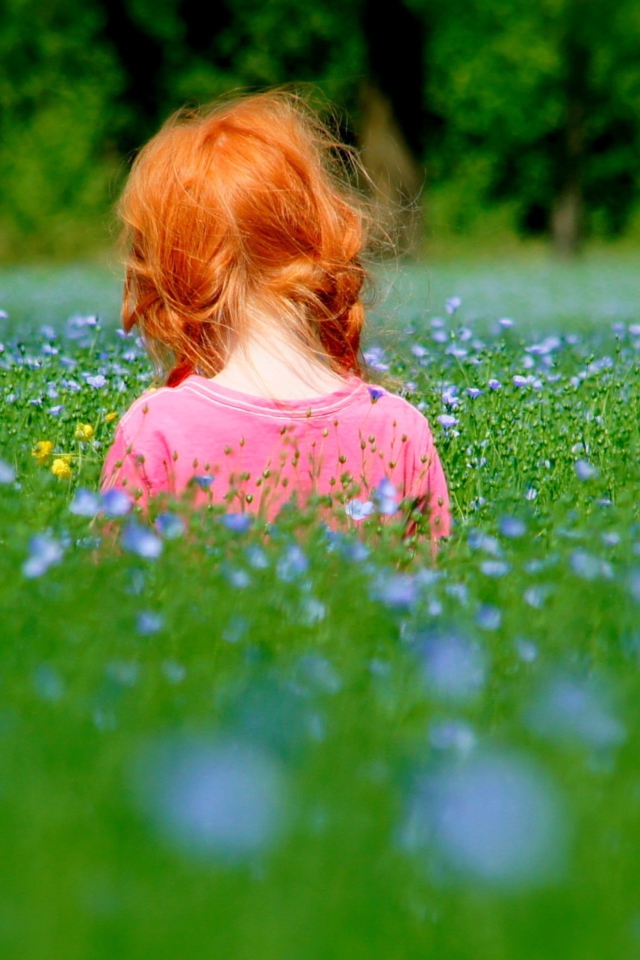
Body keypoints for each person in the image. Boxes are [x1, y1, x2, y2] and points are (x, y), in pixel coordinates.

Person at [100, 91, 450, 543]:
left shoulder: (157, 430)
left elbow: (109, 597)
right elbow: (428, 597)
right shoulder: (400, 431)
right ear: (323, 236)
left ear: (169, 278)